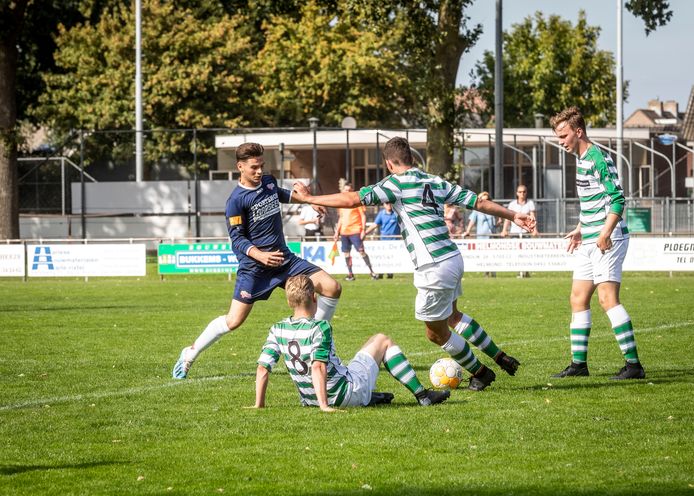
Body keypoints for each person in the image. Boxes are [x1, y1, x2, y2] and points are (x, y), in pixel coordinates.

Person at [292, 137, 536, 391]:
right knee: (453, 316)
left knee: (435, 333)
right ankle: (499, 356)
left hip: (433, 266)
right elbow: (479, 202)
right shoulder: (435, 180)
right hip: (452, 257)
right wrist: (513, 215)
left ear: (389, 163)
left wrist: (311, 198)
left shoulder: (395, 183)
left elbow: (353, 198)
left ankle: (481, 372)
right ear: (411, 158)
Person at [172, 142, 342, 379]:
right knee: (233, 321)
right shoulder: (235, 201)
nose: (259, 171)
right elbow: (237, 239)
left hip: (284, 260)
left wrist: (308, 200)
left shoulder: (269, 181)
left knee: (332, 287)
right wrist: (260, 254)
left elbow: (280, 194)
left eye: (262, 165)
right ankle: (190, 353)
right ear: (240, 167)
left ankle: (315, 344)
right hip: (254, 269)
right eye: (254, 167)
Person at [252, 275, 450, 411]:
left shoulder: (277, 328)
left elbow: (262, 369)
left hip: (308, 400)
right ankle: (423, 395)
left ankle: (368, 397)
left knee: (358, 357)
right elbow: (318, 366)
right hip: (343, 394)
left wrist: (259, 405)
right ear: (314, 297)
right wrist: (324, 406)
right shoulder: (320, 327)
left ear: (289, 302)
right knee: (382, 340)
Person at [550, 106, 645, 380]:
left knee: (607, 299)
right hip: (589, 238)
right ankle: (579, 365)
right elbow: (593, 201)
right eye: (558, 137)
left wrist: (604, 233)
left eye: (564, 136)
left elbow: (617, 199)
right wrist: (581, 228)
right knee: (578, 298)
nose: (561, 141)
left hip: (608, 239)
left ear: (578, 132)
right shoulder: (580, 158)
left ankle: (634, 366)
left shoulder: (597, 158)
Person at [334, 182, 379, 281]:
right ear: (343, 191)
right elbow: (341, 218)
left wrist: (363, 230)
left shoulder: (357, 202)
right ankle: (350, 274)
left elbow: (363, 216)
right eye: (346, 190)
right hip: (344, 232)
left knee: (361, 252)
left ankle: (372, 272)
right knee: (346, 254)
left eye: (349, 190)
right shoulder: (341, 204)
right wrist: (337, 232)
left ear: (352, 191)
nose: (347, 192)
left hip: (355, 231)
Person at [501, 184, 538, 277]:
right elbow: (507, 218)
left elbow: (533, 218)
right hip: (514, 232)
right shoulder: (512, 204)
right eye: (520, 192)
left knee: (526, 253)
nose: (522, 194)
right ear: (517, 193)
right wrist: (504, 230)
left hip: (526, 232)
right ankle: (519, 272)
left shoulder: (530, 203)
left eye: (524, 192)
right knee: (516, 253)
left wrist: (534, 230)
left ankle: (526, 271)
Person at [463, 191, 499, 277]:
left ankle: (493, 273)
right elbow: (472, 221)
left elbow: (494, 224)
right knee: (484, 256)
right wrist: (468, 231)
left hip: (491, 236)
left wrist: (499, 223)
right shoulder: (477, 211)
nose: (485, 202)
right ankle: (486, 273)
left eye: (487, 200)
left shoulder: (493, 210)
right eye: (483, 200)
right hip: (481, 237)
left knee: (492, 256)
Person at [365, 202, 400, 278]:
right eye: (386, 203)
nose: (389, 205)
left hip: (394, 240)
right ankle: (380, 272)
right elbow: (375, 224)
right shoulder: (381, 214)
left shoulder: (396, 213)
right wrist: (365, 233)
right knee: (383, 257)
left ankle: (390, 273)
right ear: (383, 205)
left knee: (392, 257)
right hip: (384, 240)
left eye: (390, 203)